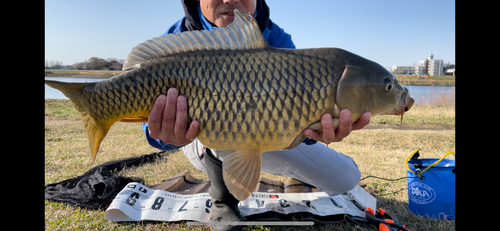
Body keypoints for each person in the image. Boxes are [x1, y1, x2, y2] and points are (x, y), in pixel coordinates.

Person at [143, 0, 371, 230]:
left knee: (347, 178)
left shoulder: (277, 39)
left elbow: (303, 121)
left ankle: (284, 173)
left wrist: (316, 131)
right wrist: (164, 135)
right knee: (231, 119)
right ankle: (223, 201)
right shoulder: (178, 38)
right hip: (199, 140)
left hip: (268, 136)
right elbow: (149, 131)